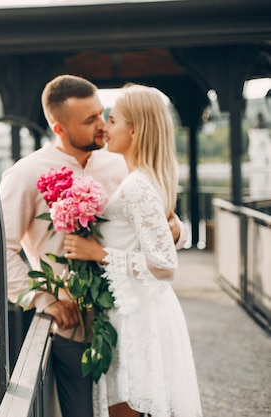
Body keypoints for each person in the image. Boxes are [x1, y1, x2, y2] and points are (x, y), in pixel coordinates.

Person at [0, 74, 188, 417]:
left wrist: (175, 231)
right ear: (59, 128)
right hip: (74, 329)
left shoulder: (121, 163)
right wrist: (40, 298)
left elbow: (159, 220)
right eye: (90, 120)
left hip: (128, 319)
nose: (102, 126)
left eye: (102, 114)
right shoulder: (25, 174)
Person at [62, 84, 202, 417]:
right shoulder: (143, 178)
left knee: (128, 407)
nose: (105, 128)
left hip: (137, 318)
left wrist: (97, 253)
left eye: (113, 120)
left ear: (134, 129)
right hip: (136, 310)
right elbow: (160, 233)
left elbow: (165, 265)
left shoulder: (138, 185)